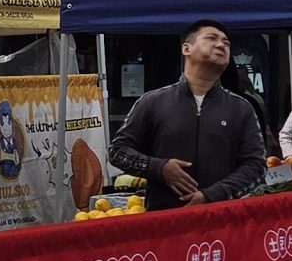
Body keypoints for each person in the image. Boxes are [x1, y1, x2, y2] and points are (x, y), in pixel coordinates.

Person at [109, 20, 265, 211]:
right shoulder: (152, 102)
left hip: (222, 220)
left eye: (226, 42)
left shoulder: (241, 108)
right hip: (164, 220)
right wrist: (159, 168)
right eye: (211, 38)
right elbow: (117, 151)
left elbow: (256, 166)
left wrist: (213, 195)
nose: (221, 45)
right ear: (186, 49)